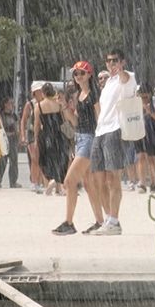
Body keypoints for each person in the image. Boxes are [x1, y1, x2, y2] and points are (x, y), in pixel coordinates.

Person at [88, 49, 139, 235]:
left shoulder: (127, 77)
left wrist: (121, 70)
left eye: (115, 61)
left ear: (122, 61)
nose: (111, 64)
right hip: (100, 131)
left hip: (115, 130)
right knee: (96, 178)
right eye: (108, 61)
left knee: (113, 178)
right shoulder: (109, 81)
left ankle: (114, 221)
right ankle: (109, 219)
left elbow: (126, 79)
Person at [53, 63, 105, 235]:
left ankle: (69, 222)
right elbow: (75, 122)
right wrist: (64, 106)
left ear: (89, 74)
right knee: (89, 184)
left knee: (69, 181)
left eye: (82, 73)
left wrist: (100, 141)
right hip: (81, 138)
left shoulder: (94, 94)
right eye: (76, 73)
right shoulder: (79, 95)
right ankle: (99, 221)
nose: (78, 76)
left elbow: (100, 117)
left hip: (90, 139)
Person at [33, 83, 68, 196]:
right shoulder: (58, 104)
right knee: (59, 159)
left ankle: (51, 181)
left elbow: (37, 125)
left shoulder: (38, 106)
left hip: (47, 135)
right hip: (59, 134)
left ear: (43, 93)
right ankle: (58, 187)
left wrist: (35, 139)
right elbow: (64, 119)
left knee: (47, 159)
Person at [133, 94, 155, 193]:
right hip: (139, 130)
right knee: (141, 157)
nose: (143, 96)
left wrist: (147, 109)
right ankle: (142, 183)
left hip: (152, 131)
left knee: (151, 159)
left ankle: (153, 183)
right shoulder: (135, 101)